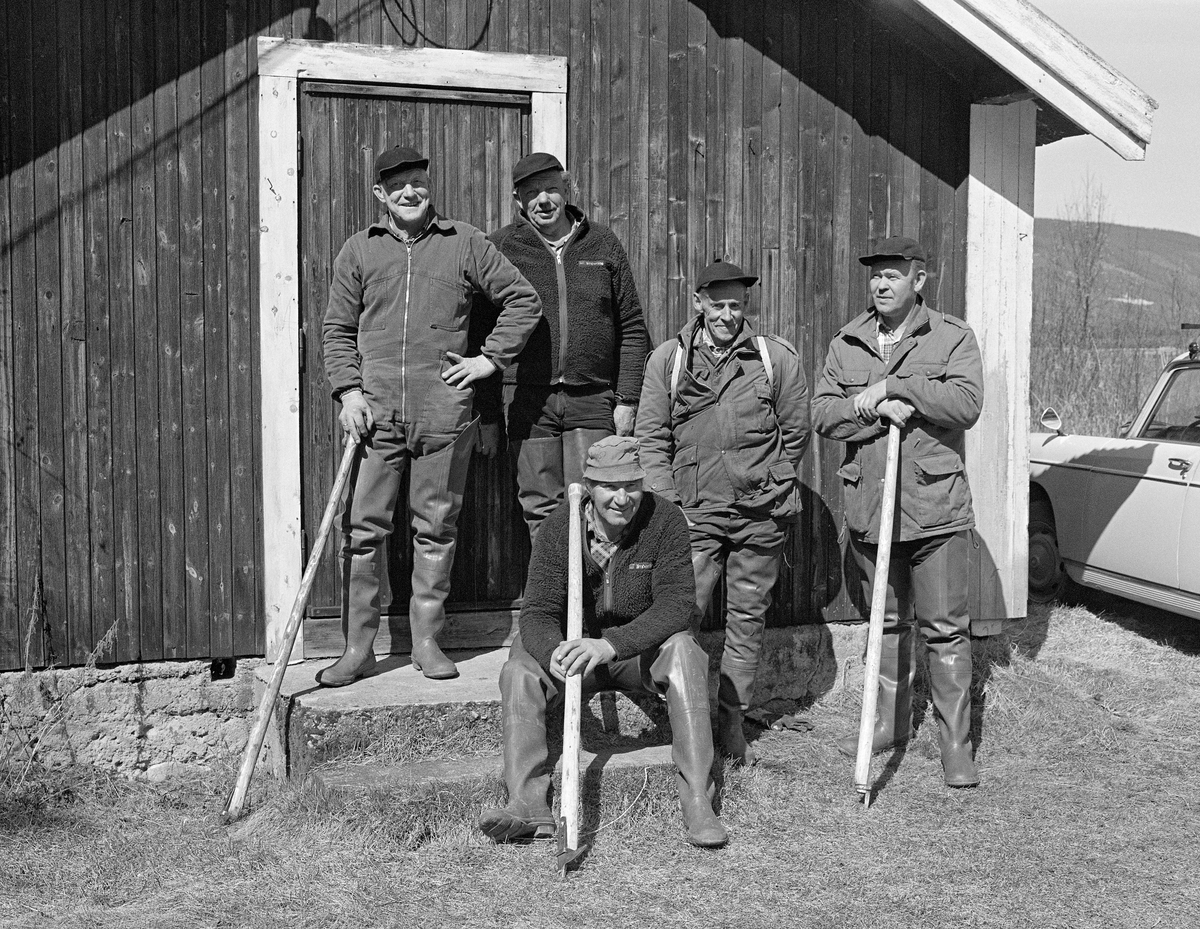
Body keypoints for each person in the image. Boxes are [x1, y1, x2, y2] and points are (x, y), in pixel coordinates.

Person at [318, 145, 541, 686]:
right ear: (381, 195)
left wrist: (489, 361)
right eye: (397, 187)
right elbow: (337, 330)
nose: (409, 193)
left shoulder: (464, 243)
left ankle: (426, 641)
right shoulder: (359, 251)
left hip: (444, 415)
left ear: (429, 184)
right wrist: (349, 392)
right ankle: (358, 648)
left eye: (417, 182)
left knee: (436, 529)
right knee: (364, 532)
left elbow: (522, 300)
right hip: (374, 418)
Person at [478, 436, 727, 848]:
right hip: (575, 653)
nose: (622, 498)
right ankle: (526, 804)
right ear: (589, 486)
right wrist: (552, 652)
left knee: (685, 651)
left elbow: (677, 606)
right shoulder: (561, 527)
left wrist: (610, 645)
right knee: (520, 664)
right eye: (610, 486)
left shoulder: (664, 521)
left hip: (636, 654)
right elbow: (537, 611)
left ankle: (699, 801)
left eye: (631, 485)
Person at [810, 235, 984, 787]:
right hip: (870, 506)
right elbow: (823, 412)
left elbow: (966, 404)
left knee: (945, 628)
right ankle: (887, 724)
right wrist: (876, 407)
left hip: (935, 508)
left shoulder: (952, 337)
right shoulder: (849, 341)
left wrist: (899, 383)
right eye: (876, 276)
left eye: (893, 275)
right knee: (884, 624)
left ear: (919, 280)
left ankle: (955, 744)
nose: (881, 285)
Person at [636, 261, 811, 766]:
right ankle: (686, 720)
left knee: (748, 617)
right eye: (718, 306)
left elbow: (795, 431)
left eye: (737, 306)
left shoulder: (774, 358)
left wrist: (770, 477)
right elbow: (652, 438)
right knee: (679, 615)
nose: (728, 316)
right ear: (698, 303)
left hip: (762, 511)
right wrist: (670, 507)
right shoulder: (668, 360)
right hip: (693, 512)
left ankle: (732, 721)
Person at [474, 152, 650, 544]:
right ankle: (555, 604)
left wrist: (627, 399)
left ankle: (591, 606)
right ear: (518, 201)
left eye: (551, 189)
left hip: (592, 400)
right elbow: (481, 335)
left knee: (596, 506)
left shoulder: (602, 243)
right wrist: (487, 414)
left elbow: (633, 328)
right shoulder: (501, 247)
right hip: (526, 402)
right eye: (532, 193)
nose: (543, 201)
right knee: (542, 513)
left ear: (567, 190)